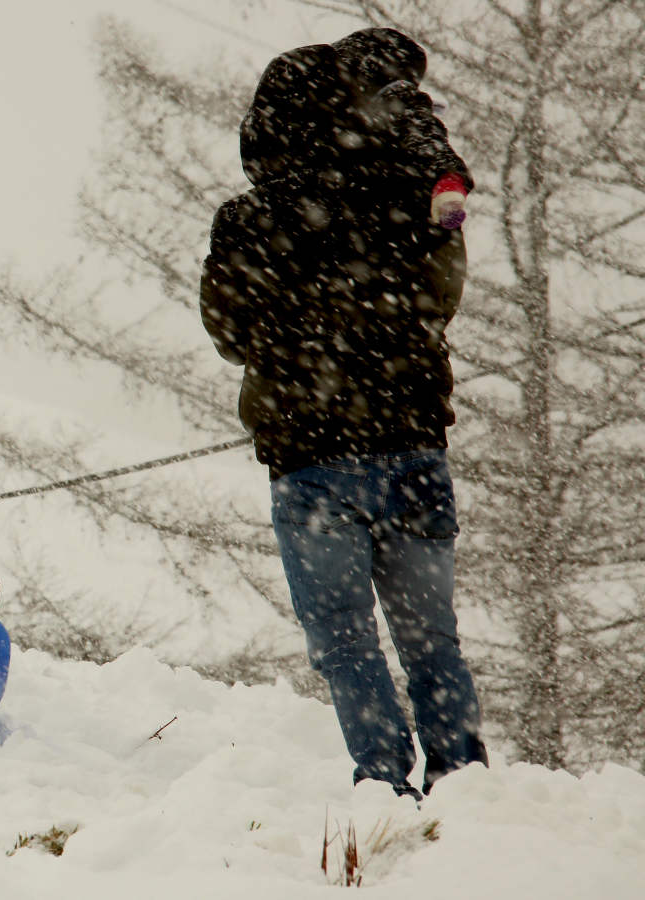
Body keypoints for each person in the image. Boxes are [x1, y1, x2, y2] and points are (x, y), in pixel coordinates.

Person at [199, 29, 486, 799]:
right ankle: (466, 786)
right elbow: (437, 303)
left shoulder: (248, 221)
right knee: (432, 640)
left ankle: (384, 787)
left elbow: (227, 333)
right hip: (414, 447)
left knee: (347, 641)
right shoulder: (409, 200)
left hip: (312, 463)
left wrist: (293, 334)